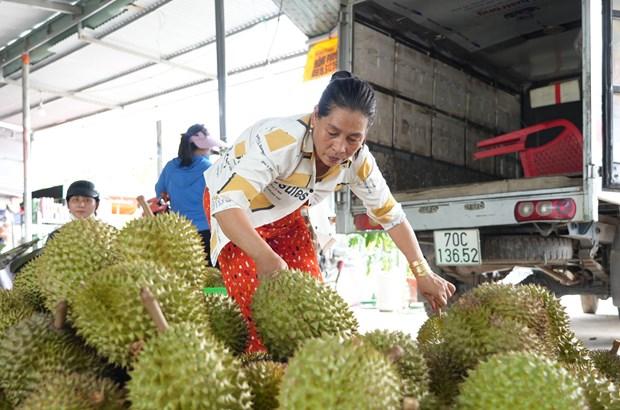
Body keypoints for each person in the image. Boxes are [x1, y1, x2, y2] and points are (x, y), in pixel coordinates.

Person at [203, 71, 456, 352]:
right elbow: (227, 205)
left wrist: (422, 271)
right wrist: (265, 257)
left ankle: (316, 374)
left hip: (286, 214)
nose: (339, 147)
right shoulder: (281, 141)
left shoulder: (359, 162)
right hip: (234, 211)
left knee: (314, 311)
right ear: (315, 118)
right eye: (332, 133)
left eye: (353, 138)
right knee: (257, 317)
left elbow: (391, 216)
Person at [156, 124, 223, 262]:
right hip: (206, 231)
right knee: (209, 275)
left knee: (185, 274)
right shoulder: (209, 168)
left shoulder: (170, 167)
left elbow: (159, 192)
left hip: (179, 231)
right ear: (203, 146)